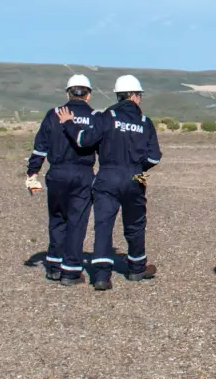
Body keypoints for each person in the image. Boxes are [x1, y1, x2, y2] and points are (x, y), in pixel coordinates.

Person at [57, 74, 161, 290]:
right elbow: (154, 157)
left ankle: (102, 276)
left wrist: (68, 124)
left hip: (106, 177)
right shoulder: (145, 122)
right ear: (133, 96)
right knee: (135, 224)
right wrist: (140, 168)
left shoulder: (107, 117)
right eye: (139, 95)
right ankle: (136, 268)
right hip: (134, 178)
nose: (140, 99)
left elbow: (84, 140)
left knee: (103, 225)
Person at [26, 75, 98, 285]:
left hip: (56, 174)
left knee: (57, 219)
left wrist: (32, 173)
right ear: (88, 94)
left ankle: (54, 266)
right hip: (83, 174)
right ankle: (71, 270)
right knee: (77, 221)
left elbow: (40, 147)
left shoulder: (53, 114)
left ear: (68, 93)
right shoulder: (95, 116)